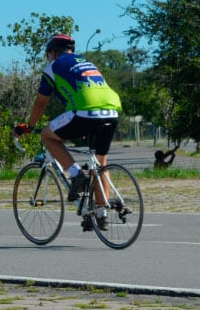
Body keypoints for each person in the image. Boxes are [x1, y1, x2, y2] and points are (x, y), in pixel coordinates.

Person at [13, 34, 122, 231]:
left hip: (85, 111)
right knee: (100, 163)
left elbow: (40, 104)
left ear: (54, 52)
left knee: (47, 135)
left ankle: (76, 174)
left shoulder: (53, 67)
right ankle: (101, 214)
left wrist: (28, 126)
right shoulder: (87, 62)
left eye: (49, 54)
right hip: (111, 111)